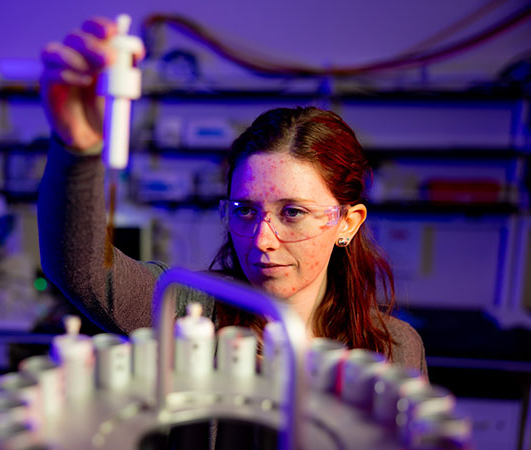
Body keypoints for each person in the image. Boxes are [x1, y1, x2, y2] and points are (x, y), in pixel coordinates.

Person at [37, 17, 426, 376]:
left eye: (292, 212)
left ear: (347, 222)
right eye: (244, 210)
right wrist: (78, 150)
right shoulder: (191, 312)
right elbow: (83, 271)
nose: (261, 239)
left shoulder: (395, 349)